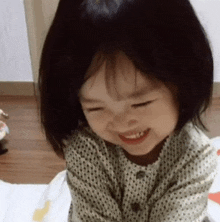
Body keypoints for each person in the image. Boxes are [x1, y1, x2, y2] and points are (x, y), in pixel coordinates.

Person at [38, 0, 218, 221]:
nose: (122, 122)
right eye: (96, 107)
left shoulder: (195, 155)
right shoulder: (86, 151)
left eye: (140, 103)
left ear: (182, 84)